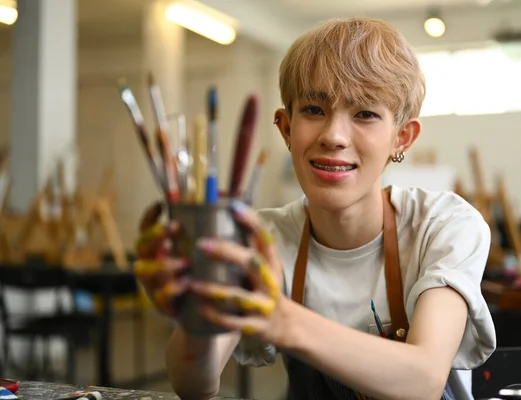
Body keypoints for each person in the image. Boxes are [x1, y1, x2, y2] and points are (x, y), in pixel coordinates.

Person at [134, 17, 496, 400]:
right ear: (287, 129)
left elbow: (423, 381)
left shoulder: (443, 228)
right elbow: (194, 386)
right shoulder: (263, 241)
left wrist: (279, 318)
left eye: (365, 114)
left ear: (401, 137)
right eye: (313, 109)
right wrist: (198, 315)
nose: (333, 136)